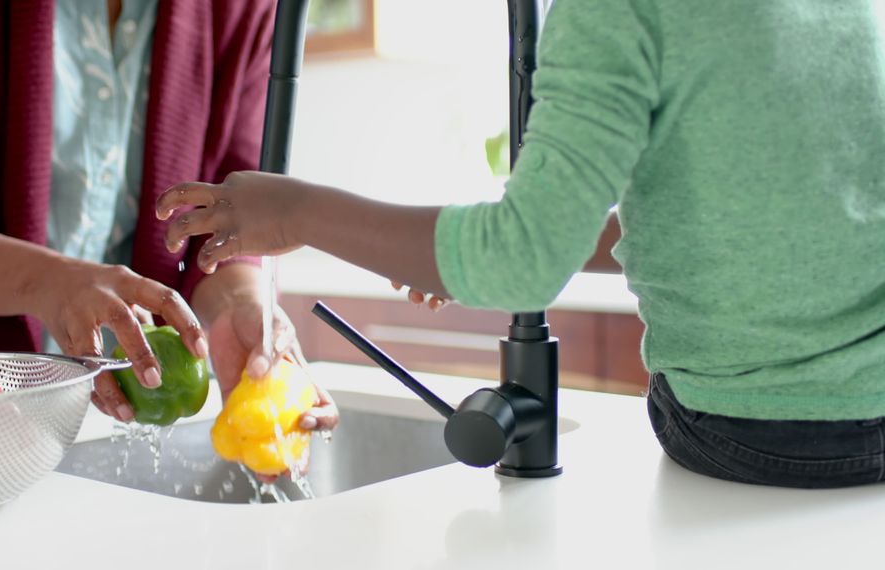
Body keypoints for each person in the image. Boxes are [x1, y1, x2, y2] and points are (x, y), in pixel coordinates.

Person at [157, 0, 885, 488]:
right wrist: (449, 248)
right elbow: (735, 209)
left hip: (747, 432)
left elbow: (523, 261)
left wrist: (297, 210)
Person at [0, 0, 337, 474]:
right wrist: (50, 283)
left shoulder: (244, 9)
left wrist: (241, 305)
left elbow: (228, 214)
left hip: (106, 433)